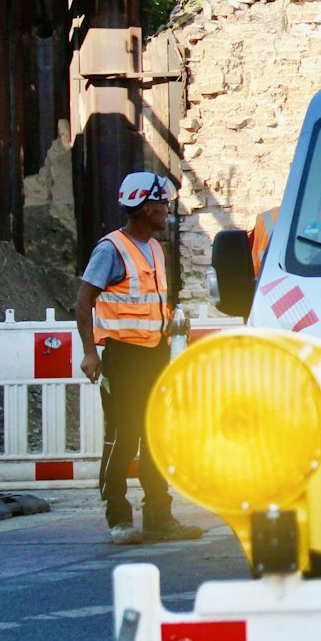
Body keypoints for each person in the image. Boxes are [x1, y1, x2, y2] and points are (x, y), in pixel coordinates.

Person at [77, 173, 204, 547]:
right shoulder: (111, 249)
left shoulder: (156, 250)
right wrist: (90, 352)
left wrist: (172, 325)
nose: (167, 210)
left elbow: (150, 303)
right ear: (147, 208)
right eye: (163, 204)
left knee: (155, 436)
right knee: (124, 435)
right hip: (124, 358)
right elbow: (83, 301)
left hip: (154, 354)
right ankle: (119, 518)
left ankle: (158, 517)